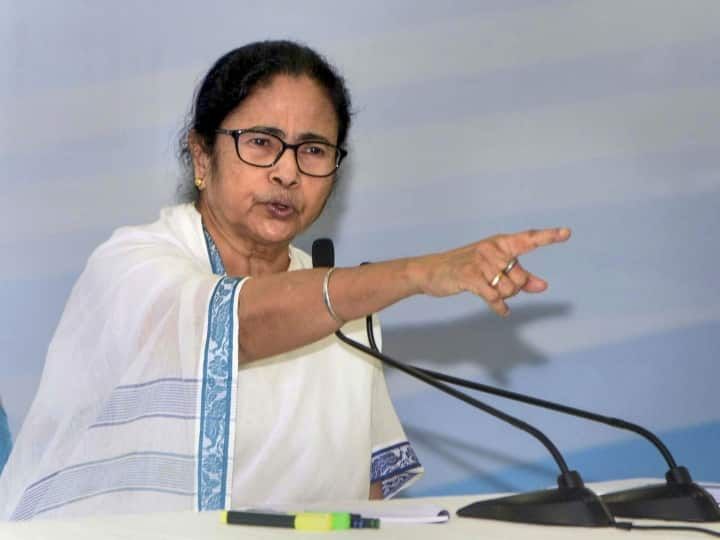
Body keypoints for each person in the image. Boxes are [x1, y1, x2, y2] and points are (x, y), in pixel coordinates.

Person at [0, 40, 570, 521]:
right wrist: (419, 273)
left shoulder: (343, 304)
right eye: (261, 142)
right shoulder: (131, 264)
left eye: (313, 150)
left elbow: (365, 492)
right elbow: (235, 322)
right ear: (201, 157)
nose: (287, 171)